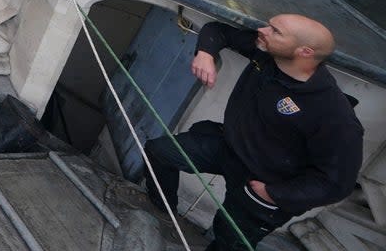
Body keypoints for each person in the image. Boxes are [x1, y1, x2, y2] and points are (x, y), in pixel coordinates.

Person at [144, 15, 363, 251]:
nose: (262, 30)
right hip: (230, 148)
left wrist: (272, 193)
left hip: (265, 183)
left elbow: (336, 184)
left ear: (305, 52)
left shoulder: (335, 116)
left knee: (229, 240)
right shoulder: (269, 54)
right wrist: (206, 53)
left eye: (275, 31)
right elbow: (218, 31)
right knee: (158, 152)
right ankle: (163, 211)